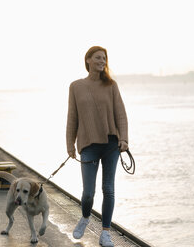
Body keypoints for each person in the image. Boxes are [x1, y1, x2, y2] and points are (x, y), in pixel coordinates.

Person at [66, 46, 128, 247]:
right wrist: (70, 145)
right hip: (88, 145)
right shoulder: (76, 86)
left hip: (111, 144)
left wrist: (124, 139)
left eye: (104, 58)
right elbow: (72, 118)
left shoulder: (111, 85)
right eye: (98, 58)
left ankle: (105, 233)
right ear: (88, 60)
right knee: (88, 192)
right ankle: (85, 217)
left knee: (108, 189)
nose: (102, 61)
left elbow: (121, 114)